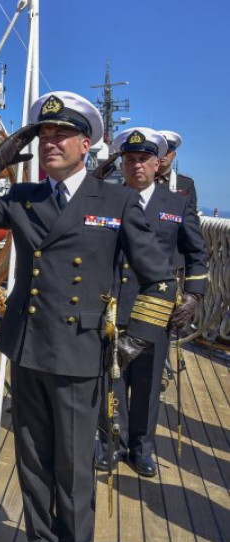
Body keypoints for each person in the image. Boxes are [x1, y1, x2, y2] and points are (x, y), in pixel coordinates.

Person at [0, 92, 176, 542]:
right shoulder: (24, 197)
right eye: (43, 136)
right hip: (29, 345)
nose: (50, 143)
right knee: (32, 457)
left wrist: (135, 342)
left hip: (80, 349)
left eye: (60, 136)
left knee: (74, 462)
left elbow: (159, 280)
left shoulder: (115, 201)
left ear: (86, 143)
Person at [93, 128, 208, 477]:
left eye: (143, 159)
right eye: (129, 160)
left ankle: (142, 448)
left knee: (148, 382)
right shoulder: (107, 199)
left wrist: (192, 296)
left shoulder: (177, 203)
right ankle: (113, 443)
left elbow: (196, 253)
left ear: (157, 164)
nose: (136, 166)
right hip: (113, 304)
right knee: (112, 379)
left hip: (157, 308)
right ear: (122, 164)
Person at [155, 130, 198, 211]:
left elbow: (191, 217)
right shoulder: (140, 181)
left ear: (174, 155)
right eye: (160, 151)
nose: (163, 155)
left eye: (167, 151)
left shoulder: (185, 185)